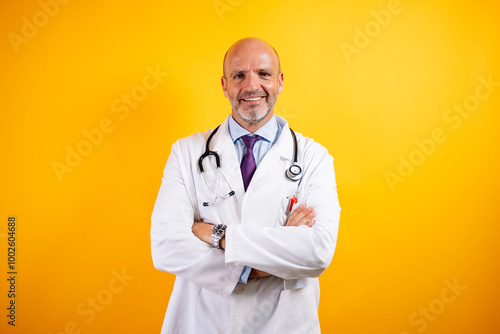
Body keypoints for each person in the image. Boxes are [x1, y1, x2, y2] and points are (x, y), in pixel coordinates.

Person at [151, 37, 341, 334]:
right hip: (203, 321)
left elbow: (316, 251)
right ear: (226, 85)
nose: (252, 86)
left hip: (283, 322)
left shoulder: (314, 157)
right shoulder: (186, 152)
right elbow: (165, 246)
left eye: (263, 74)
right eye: (239, 75)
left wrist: (217, 236)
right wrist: (253, 268)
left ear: (279, 82)